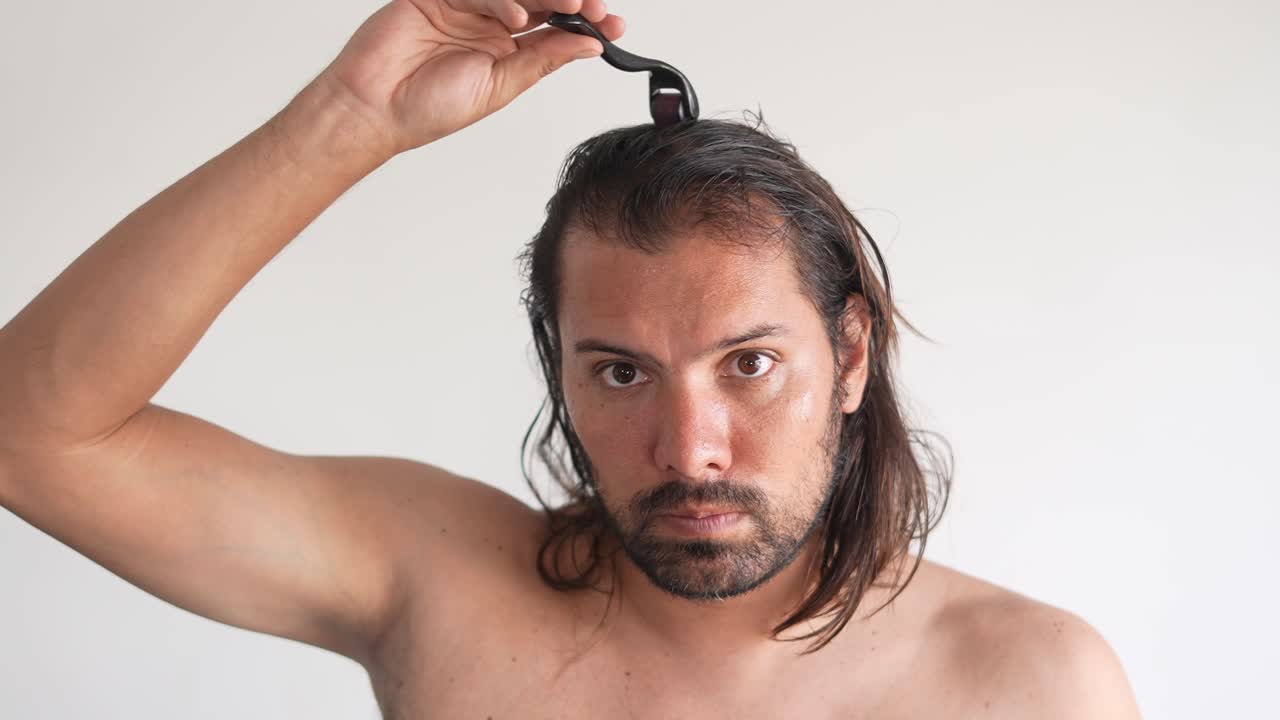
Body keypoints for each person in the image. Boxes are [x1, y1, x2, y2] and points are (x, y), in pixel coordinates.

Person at [0, 0, 1142, 717]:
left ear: (847, 356)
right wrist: (349, 118)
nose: (686, 448)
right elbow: (28, 434)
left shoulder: (1030, 685)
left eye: (747, 364)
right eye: (620, 371)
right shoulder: (437, 582)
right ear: (559, 370)